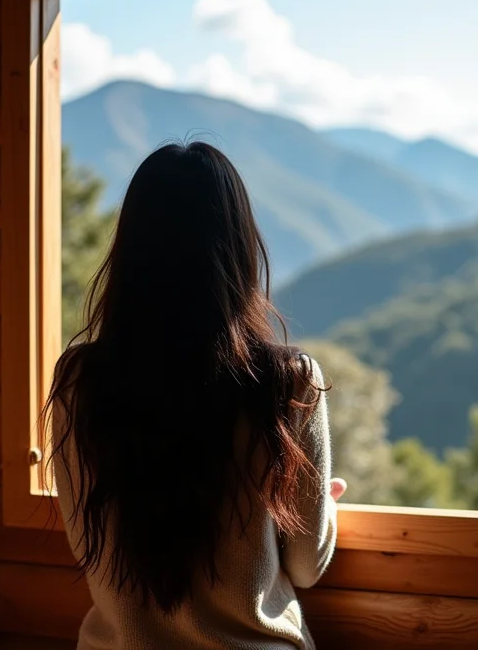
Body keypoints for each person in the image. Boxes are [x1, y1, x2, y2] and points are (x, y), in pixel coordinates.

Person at [45, 141, 346, 650]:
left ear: (129, 248)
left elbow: (86, 546)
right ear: (238, 246)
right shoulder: (287, 383)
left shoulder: (79, 381)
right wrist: (328, 507)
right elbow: (306, 568)